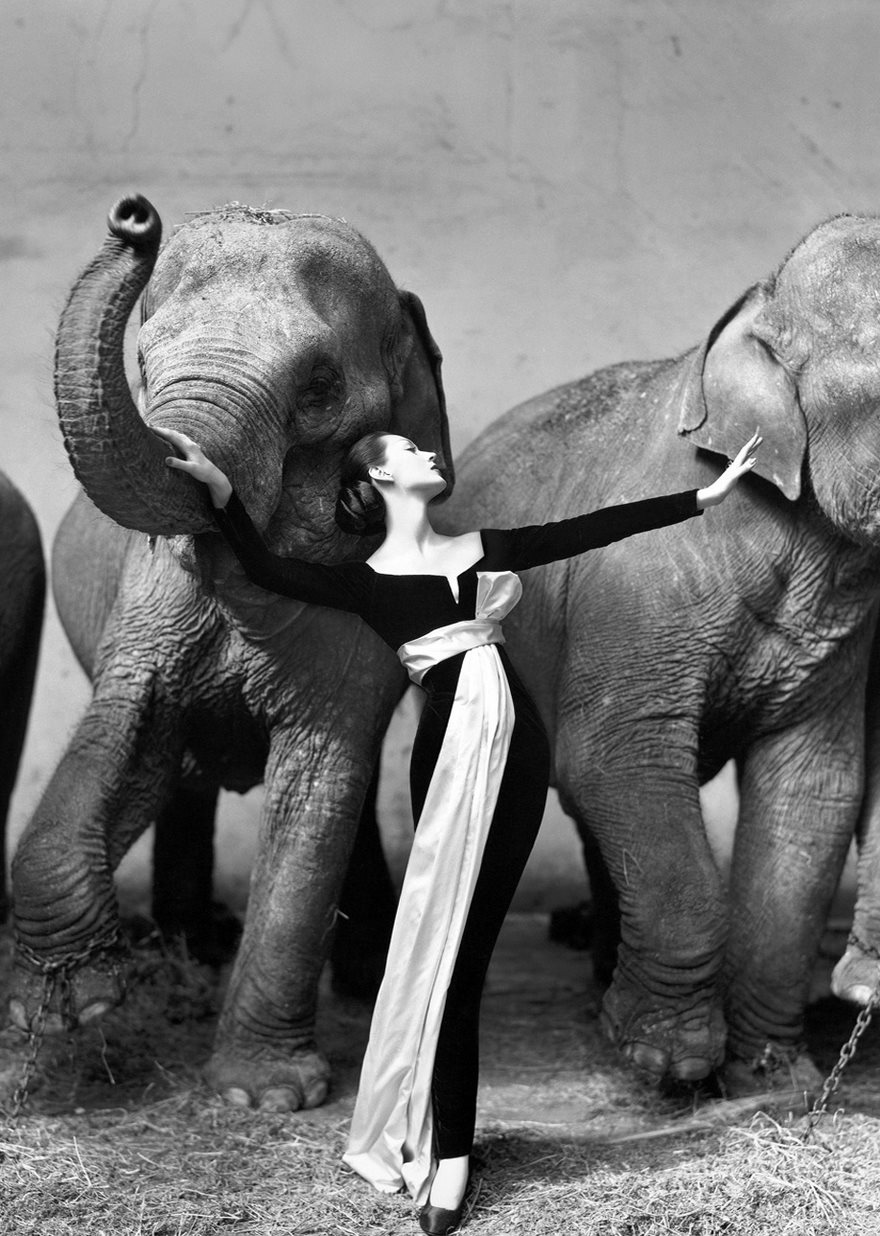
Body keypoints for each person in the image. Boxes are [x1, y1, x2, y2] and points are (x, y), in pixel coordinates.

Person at [154, 423, 762, 1235]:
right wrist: (223, 497)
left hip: (517, 752)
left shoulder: (481, 547)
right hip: (447, 758)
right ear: (378, 480)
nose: (429, 455)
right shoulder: (364, 581)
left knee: (467, 952)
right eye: (409, 452)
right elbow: (263, 567)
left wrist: (704, 498)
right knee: (451, 966)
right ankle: (448, 1161)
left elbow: (589, 530)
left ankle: (453, 1153)